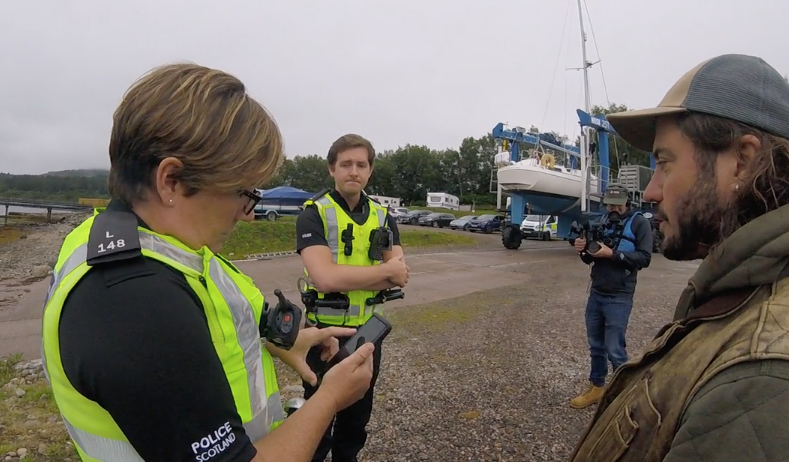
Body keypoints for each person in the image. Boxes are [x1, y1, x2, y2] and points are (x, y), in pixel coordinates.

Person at [40, 63, 376, 462]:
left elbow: (217, 324)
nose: (248, 213)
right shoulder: (135, 302)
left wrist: (281, 341)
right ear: (172, 181)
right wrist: (331, 397)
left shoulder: (151, 242)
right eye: (242, 191)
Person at [567, 53, 789, 462]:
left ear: (742, 160)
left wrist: (613, 253)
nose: (651, 192)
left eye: (664, 163)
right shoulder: (739, 288)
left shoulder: (761, 376)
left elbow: (639, 258)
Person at [295, 134, 409, 462]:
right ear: (332, 169)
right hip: (323, 334)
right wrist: (381, 274)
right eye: (346, 164)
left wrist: (360, 275)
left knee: (356, 420)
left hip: (368, 335)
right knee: (316, 418)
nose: (353, 171)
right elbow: (323, 277)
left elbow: (400, 273)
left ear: (370, 171)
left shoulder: (383, 215)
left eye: (361, 164)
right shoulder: (314, 213)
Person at [569, 183, 653, 409]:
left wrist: (613, 254)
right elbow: (591, 258)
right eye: (610, 204)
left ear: (626, 201)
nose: (613, 208)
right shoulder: (602, 221)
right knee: (595, 345)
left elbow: (644, 258)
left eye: (617, 204)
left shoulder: (639, 222)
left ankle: (623, 394)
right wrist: (583, 250)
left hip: (619, 295)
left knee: (615, 348)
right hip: (596, 292)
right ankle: (597, 387)